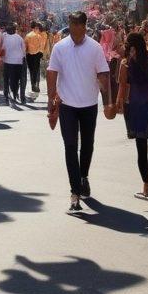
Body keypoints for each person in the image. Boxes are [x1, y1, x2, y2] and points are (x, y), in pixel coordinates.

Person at [46, 11, 114, 212]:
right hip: (67, 105)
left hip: (89, 104)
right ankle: (74, 191)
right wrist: (51, 101)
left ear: (85, 26)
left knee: (87, 144)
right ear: (69, 25)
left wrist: (108, 101)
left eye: (78, 25)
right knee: (69, 146)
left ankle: (83, 176)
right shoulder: (60, 47)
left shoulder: (94, 48)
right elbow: (52, 73)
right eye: (72, 24)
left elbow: (103, 74)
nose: (75, 28)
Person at [114, 32, 148, 199]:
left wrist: (117, 104)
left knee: (142, 149)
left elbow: (122, 88)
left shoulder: (126, 64)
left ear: (130, 46)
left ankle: (145, 187)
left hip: (137, 110)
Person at [0, 24, 27, 107]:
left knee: (7, 79)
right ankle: (16, 94)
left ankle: (6, 95)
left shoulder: (5, 37)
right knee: (17, 79)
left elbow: (2, 48)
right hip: (18, 61)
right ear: (15, 30)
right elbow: (24, 49)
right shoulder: (19, 38)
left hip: (7, 61)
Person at [25, 22, 47, 98]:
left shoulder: (28, 35)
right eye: (37, 28)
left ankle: (34, 85)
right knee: (36, 70)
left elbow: (25, 46)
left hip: (30, 55)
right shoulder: (39, 35)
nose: (37, 29)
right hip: (37, 55)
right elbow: (41, 45)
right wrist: (41, 53)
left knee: (32, 71)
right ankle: (35, 85)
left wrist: (26, 53)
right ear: (34, 28)